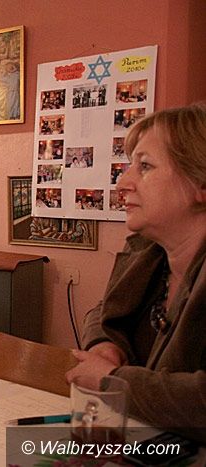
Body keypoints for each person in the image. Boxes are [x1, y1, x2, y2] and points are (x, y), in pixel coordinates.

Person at [66, 103, 206, 443]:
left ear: (201, 184)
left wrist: (113, 379)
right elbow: (102, 311)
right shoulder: (147, 252)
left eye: (145, 166)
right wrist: (105, 344)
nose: (122, 182)